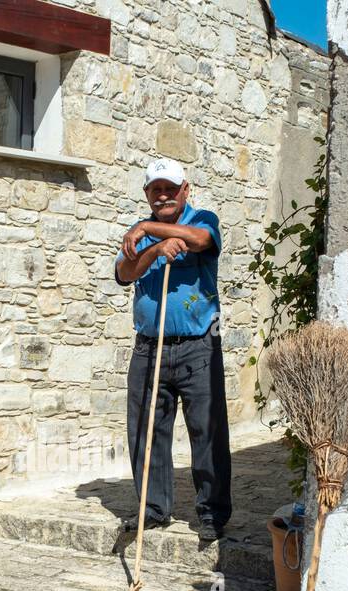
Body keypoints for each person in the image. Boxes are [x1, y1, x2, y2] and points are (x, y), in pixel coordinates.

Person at [114, 157, 232, 541]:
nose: (162, 195)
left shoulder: (203, 218)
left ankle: (212, 514)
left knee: (207, 430)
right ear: (147, 194)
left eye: (169, 188)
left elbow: (201, 242)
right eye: (155, 190)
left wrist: (149, 227)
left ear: (185, 189)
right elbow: (124, 273)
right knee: (146, 433)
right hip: (149, 348)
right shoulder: (138, 237)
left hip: (198, 346)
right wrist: (155, 248)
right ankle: (153, 508)